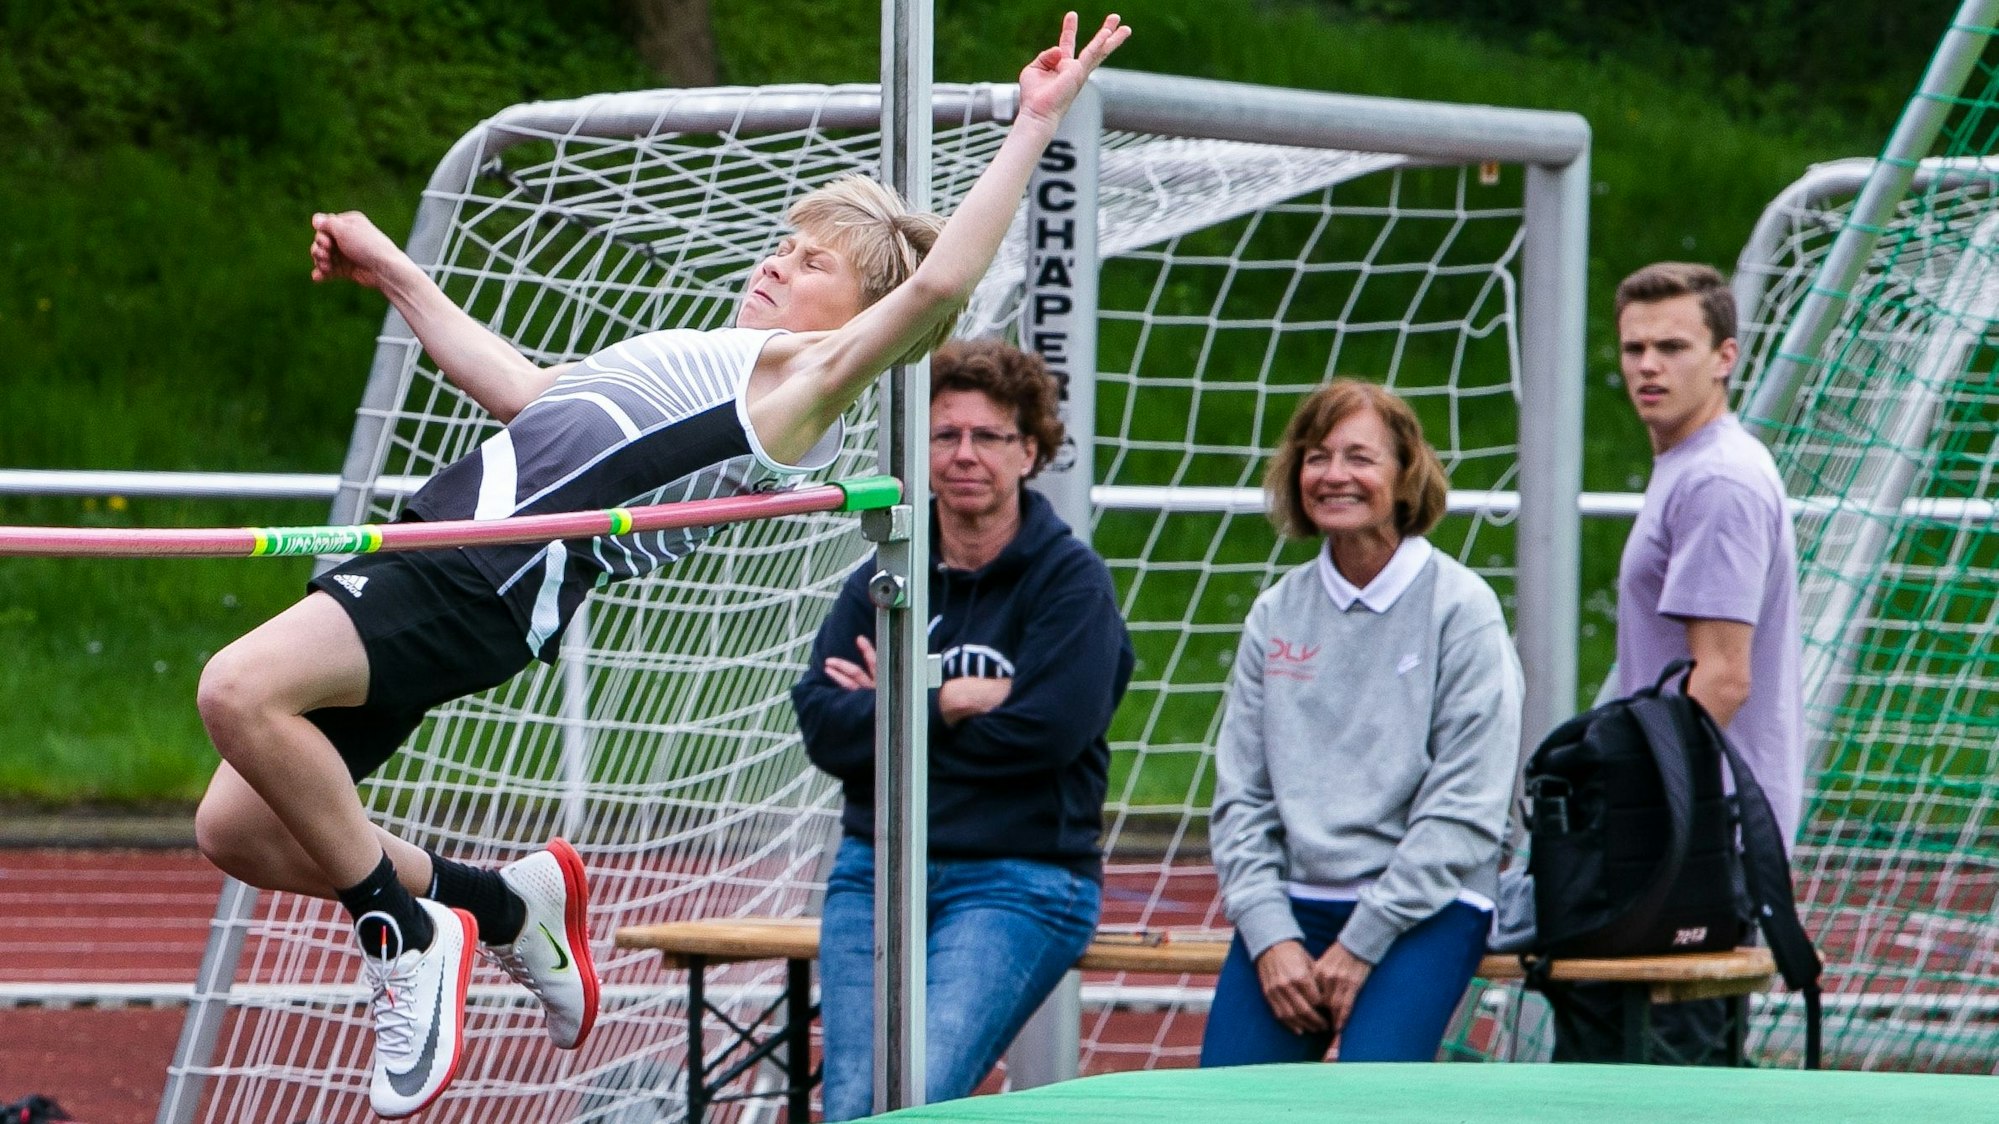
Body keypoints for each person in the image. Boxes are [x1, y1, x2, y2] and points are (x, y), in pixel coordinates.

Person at [190, 14, 1132, 1119]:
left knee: (236, 687)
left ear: (859, 317)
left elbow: (935, 292)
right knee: (239, 827)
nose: (779, 261)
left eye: (814, 260)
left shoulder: (795, 383)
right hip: (449, 555)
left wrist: (1029, 124)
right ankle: (500, 904)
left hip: (481, 573)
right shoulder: (697, 361)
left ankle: (402, 935)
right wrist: (398, 274)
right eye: (782, 243)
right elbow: (530, 394)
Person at [791, 338, 1133, 1120]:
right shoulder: (883, 579)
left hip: (1021, 877)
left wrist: (890, 711)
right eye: (945, 436)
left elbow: (1048, 735)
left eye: (988, 436)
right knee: (849, 1101)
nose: (964, 455)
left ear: (1030, 451)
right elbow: (822, 726)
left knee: (912, 1094)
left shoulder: (1071, 583)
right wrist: (948, 701)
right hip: (874, 871)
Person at [1199, 379, 1523, 1067]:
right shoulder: (1276, 613)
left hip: (1426, 907)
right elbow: (1240, 800)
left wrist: (1359, 943)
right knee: (1225, 1108)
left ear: (1406, 476)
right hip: (1292, 908)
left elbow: (1466, 810)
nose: (1334, 475)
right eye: (1316, 456)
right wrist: (1270, 936)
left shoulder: (1461, 609)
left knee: (1371, 1099)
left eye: (1358, 456)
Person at [1550, 261, 1803, 1065]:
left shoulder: (1717, 481)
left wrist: (1625, 813)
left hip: (1695, 839)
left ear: (1724, 355)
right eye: (1632, 349)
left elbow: (1721, 680)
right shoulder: (1689, 467)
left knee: (1661, 1079)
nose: (1646, 366)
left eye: (1671, 346)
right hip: (1686, 831)